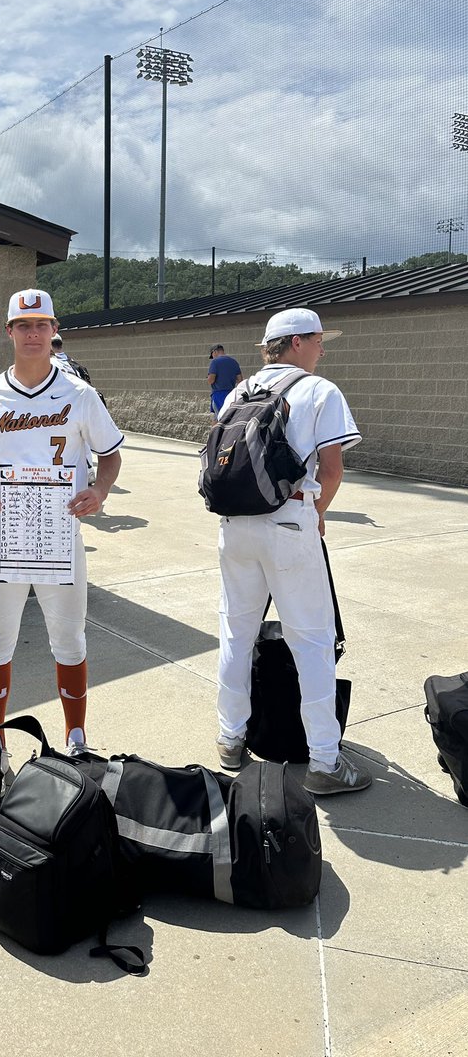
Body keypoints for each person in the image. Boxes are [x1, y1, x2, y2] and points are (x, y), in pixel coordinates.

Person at [0, 289, 124, 757]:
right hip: (3, 538)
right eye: (24, 325)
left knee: (69, 637)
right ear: (9, 331)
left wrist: (100, 491)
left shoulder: (80, 395)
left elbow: (110, 455)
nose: (33, 333)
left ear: (54, 329)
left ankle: (76, 736)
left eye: (41, 324)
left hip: (61, 538)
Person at [212, 308, 371, 795]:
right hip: (288, 521)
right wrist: (318, 510)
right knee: (313, 639)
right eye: (320, 341)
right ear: (297, 342)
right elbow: (332, 469)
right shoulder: (318, 391)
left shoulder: (239, 392)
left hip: (234, 524)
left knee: (236, 631)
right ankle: (325, 761)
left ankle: (230, 739)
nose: (323, 349)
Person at [207, 343, 243, 415]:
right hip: (231, 394)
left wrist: (208, 378)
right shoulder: (234, 362)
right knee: (228, 417)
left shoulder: (215, 362)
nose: (213, 357)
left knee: (218, 418)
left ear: (215, 352)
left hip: (218, 395)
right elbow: (240, 380)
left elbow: (211, 380)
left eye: (212, 355)